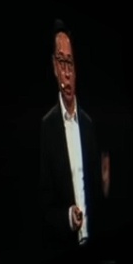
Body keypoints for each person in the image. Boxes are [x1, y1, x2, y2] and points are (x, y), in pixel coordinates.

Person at [40, 20, 108, 250]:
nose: (67, 73)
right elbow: (44, 207)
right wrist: (68, 218)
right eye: (62, 62)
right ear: (54, 66)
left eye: (70, 63)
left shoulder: (88, 125)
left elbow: (98, 196)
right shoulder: (47, 127)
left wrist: (104, 184)